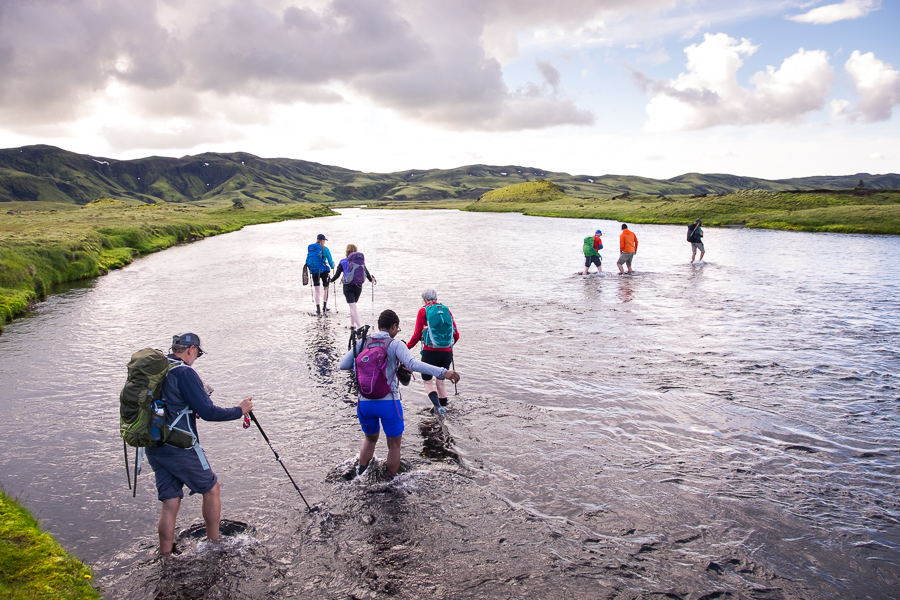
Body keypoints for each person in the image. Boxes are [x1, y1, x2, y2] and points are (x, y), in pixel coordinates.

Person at [145, 333, 253, 557]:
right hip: (180, 446)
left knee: (170, 501)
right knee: (212, 488)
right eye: (198, 354)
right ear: (191, 350)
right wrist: (239, 410)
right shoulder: (185, 372)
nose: (196, 358)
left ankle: (165, 555)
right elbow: (209, 412)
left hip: (154, 444)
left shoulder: (158, 368)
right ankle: (214, 545)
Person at [339, 310, 460, 478]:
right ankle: (391, 484)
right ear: (393, 326)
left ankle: (360, 478)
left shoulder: (363, 341)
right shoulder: (395, 344)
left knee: (370, 439)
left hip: (364, 403)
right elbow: (413, 364)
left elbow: (342, 365)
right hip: (388, 403)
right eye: (398, 328)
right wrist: (442, 372)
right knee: (394, 446)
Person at [406, 289, 460, 413]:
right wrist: (447, 348)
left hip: (430, 352)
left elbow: (416, 335)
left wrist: (406, 348)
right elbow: (456, 335)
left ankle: (437, 407)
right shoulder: (446, 310)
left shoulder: (423, 311)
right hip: (447, 352)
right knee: (440, 382)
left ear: (424, 300)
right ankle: (444, 408)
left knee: (427, 381)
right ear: (436, 298)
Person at [330, 244, 376, 329]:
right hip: (358, 287)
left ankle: (359, 326)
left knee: (353, 306)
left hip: (348, 287)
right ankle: (352, 324)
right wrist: (371, 280)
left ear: (347, 251)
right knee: (353, 306)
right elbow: (366, 272)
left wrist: (330, 280)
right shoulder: (359, 262)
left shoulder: (343, 261)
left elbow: (337, 275)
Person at [306, 234, 335, 315]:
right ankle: (324, 306)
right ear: (322, 240)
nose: (324, 241)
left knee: (317, 290)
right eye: (324, 240)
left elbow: (308, 260)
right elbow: (330, 260)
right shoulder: (325, 249)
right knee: (325, 288)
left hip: (314, 271)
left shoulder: (312, 249)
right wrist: (332, 266)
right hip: (323, 271)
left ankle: (318, 308)